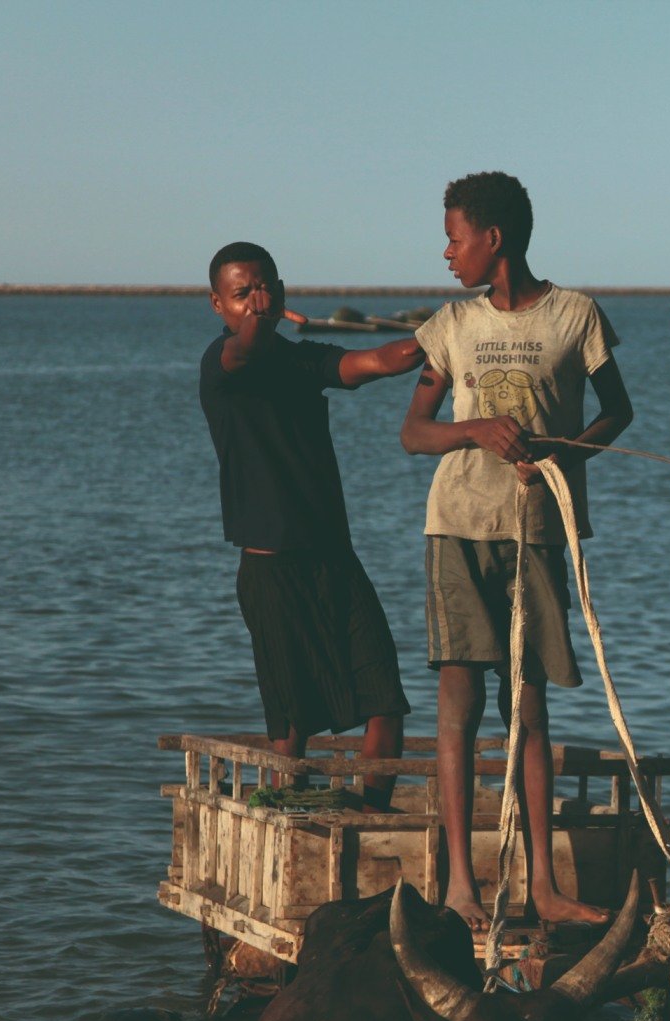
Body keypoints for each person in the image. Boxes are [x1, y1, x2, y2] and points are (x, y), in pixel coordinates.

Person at [401, 172, 634, 928]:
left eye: (454, 238)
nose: (446, 253)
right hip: (459, 526)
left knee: (527, 705)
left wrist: (565, 456)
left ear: (492, 240)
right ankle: (461, 887)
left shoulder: (575, 316)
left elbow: (617, 410)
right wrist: (476, 431)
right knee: (459, 706)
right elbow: (414, 433)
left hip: (536, 529)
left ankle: (541, 887)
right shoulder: (453, 324)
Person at [199, 241, 423, 807]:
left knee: (385, 699)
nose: (257, 299)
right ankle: (286, 811)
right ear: (218, 305)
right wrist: (260, 323)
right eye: (242, 292)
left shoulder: (303, 359)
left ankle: (372, 814)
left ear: (283, 288)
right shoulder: (221, 363)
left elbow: (375, 363)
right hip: (270, 573)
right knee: (291, 725)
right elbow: (246, 348)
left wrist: (443, 336)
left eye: (266, 285)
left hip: (334, 561)